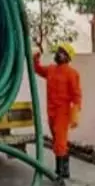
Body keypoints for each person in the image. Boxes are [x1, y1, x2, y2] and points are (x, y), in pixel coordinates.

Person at [33, 43, 83, 179]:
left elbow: (77, 95)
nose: (58, 53)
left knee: (60, 142)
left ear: (67, 58)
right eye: (58, 51)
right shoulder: (51, 70)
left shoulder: (72, 74)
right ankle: (64, 170)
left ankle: (59, 174)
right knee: (57, 141)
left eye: (62, 52)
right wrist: (35, 58)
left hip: (63, 112)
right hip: (51, 112)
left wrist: (76, 113)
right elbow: (36, 69)